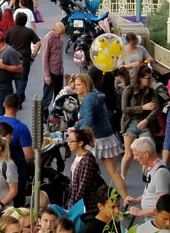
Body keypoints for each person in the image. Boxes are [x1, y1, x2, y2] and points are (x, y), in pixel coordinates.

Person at [72, 73, 128, 203]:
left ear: (86, 85)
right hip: (107, 136)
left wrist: (77, 131)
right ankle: (126, 200)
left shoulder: (87, 99)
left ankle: (78, 199)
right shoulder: (96, 94)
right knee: (113, 173)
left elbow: (88, 119)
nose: (76, 88)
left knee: (77, 168)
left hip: (95, 139)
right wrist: (77, 125)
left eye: (79, 85)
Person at [119, 66, 159, 179]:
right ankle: (122, 176)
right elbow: (125, 109)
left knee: (147, 152)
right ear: (140, 78)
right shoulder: (129, 90)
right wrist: (143, 108)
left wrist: (146, 120)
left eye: (151, 78)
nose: (150, 80)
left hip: (145, 124)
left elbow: (156, 109)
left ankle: (145, 177)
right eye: (148, 78)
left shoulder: (151, 92)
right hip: (130, 123)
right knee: (129, 154)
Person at [123, 137, 170, 219]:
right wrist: (136, 200)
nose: (134, 158)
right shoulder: (151, 167)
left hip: (156, 220)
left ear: (146, 154)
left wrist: (140, 212)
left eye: (136, 154)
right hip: (151, 218)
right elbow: (151, 192)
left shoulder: (160, 174)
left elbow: (162, 206)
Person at [66, 127, 106, 212]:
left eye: (71, 141)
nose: (68, 143)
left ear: (80, 143)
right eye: (68, 140)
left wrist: (75, 204)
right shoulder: (77, 156)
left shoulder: (87, 160)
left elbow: (83, 186)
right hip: (76, 199)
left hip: (87, 203)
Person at [4, 12, 40, 104]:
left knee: (16, 77)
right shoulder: (29, 31)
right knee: (23, 78)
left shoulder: (10, 30)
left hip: (12, 57)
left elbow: (5, 43)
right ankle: (19, 97)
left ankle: (19, 95)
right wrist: (34, 54)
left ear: (15, 20)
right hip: (25, 57)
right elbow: (38, 42)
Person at [39, 22, 65, 118]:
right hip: (51, 72)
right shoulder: (48, 38)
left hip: (59, 71)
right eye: (59, 33)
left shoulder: (60, 38)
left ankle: (56, 115)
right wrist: (47, 75)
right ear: (54, 29)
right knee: (47, 96)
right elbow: (44, 58)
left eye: (62, 33)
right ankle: (43, 117)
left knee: (59, 96)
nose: (61, 35)